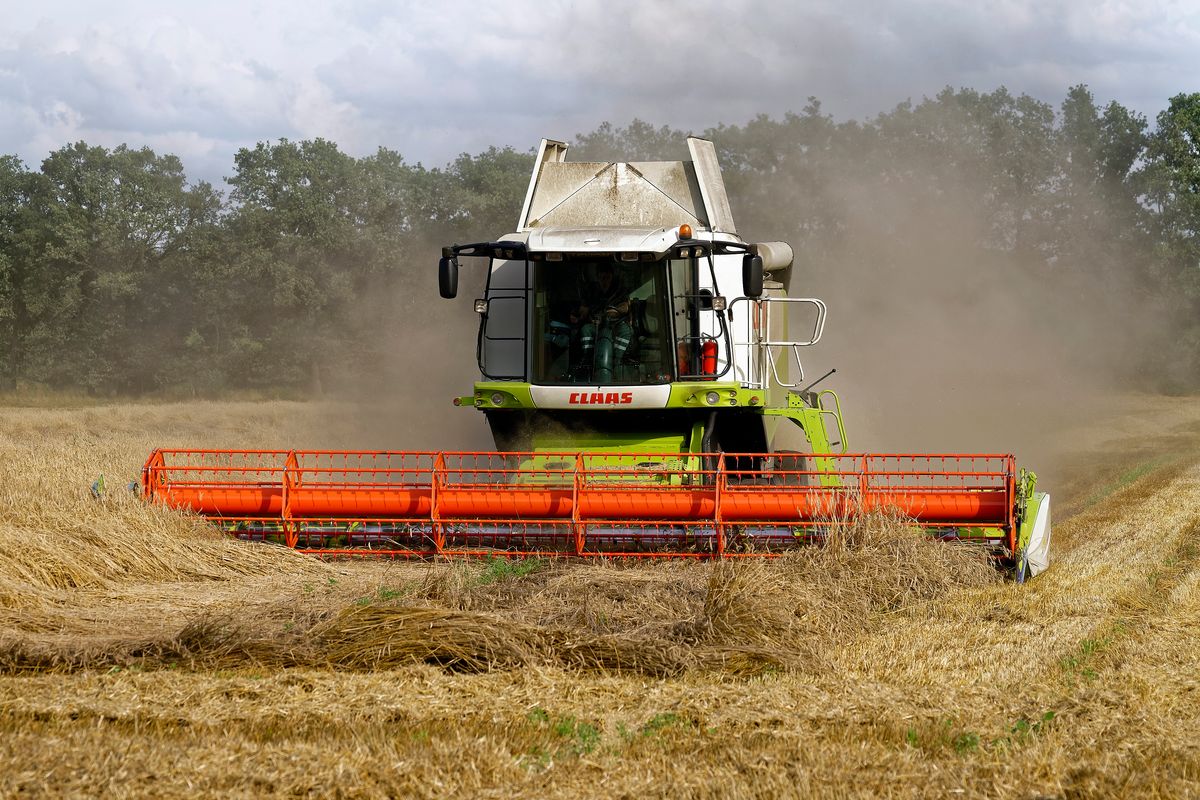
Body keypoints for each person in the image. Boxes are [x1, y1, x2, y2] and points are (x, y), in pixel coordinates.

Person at [571, 262, 632, 381]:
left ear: (612, 277)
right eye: (602, 277)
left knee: (625, 330)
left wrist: (616, 311)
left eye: (607, 277)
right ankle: (588, 359)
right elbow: (583, 307)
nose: (604, 281)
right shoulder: (591, 290)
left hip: (614, 325)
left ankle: (618, 361)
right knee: (585, 330)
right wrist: (583, 313)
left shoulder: (619, 289)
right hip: (595, 325)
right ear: (597, 277)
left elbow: (626, 306)